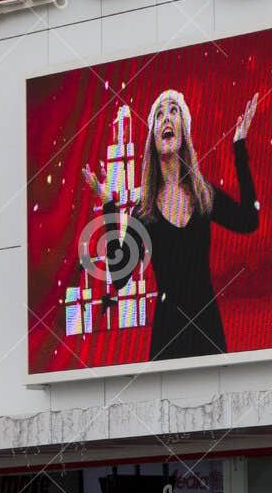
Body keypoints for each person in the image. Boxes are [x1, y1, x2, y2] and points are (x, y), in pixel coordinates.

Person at [83, 89, 260, 360]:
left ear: (183, 131)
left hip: (207, 330)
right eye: (159, 115)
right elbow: (120, 277)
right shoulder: (143, 210)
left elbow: (249, 221)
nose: (166, 117)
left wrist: (239, 147)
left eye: (174, 111)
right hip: (168, 337)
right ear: (153, 139)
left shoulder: (204, 195)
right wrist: (108, 203)